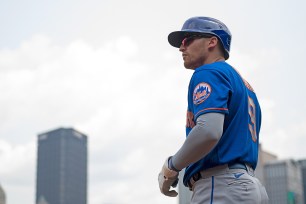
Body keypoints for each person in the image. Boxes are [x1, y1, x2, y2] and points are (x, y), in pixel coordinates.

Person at [158, 16, 269, 204]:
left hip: (220, 186)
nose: (181, 47)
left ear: (212, 41)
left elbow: (208, 131)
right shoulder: (244, 85)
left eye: (187, 39)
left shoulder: (209, 72)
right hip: (248, 186)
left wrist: (171, 167)